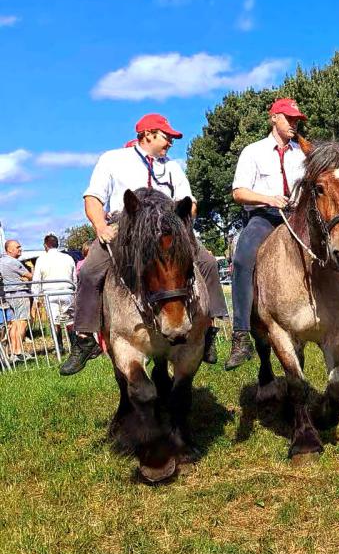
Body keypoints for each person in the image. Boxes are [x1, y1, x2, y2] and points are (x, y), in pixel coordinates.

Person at [59, 113, 230, 375]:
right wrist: (101, 227)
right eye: (167, 136)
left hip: (168, 227)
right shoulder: (113, 159)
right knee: (90, 270)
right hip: (126, 225)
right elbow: (93, 198)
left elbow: (189, 201)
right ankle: (84, 339)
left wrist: (183, 218)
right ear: (148, 134)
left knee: (206, 262)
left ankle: (207, 330)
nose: (171, 142)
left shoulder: (172, 167)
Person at [226, 98, 339, 369]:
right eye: (289, 118)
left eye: (297, 120)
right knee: (242, 258)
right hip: (265, 216)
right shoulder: (253, 151)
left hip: (300, 218)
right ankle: (240, 334)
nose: (294, 124)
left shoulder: (304, 154)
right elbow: (239, 192)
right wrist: (269, 199)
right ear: (274, 118)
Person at [31, 234, 76, 332]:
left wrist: (36, 298)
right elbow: (74, 278)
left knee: (54, 321)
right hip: (67, 291)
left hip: (50, 293)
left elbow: (36, 280)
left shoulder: (41, 259)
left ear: (45, 245)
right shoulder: (68, 258)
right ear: (57, 244)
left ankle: (59, 345)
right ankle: (74, 344)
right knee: (70, 321)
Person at [0, 240, 33, 363]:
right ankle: (18, 352)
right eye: (17, 247)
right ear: (9, 249)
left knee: (14, 323)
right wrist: (28, 273)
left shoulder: (1, 261)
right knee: (22, 323)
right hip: (20, 294)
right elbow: (29, 276)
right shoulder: (14, 262)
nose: (20, 249)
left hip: (9, 295)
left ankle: (14, 352)